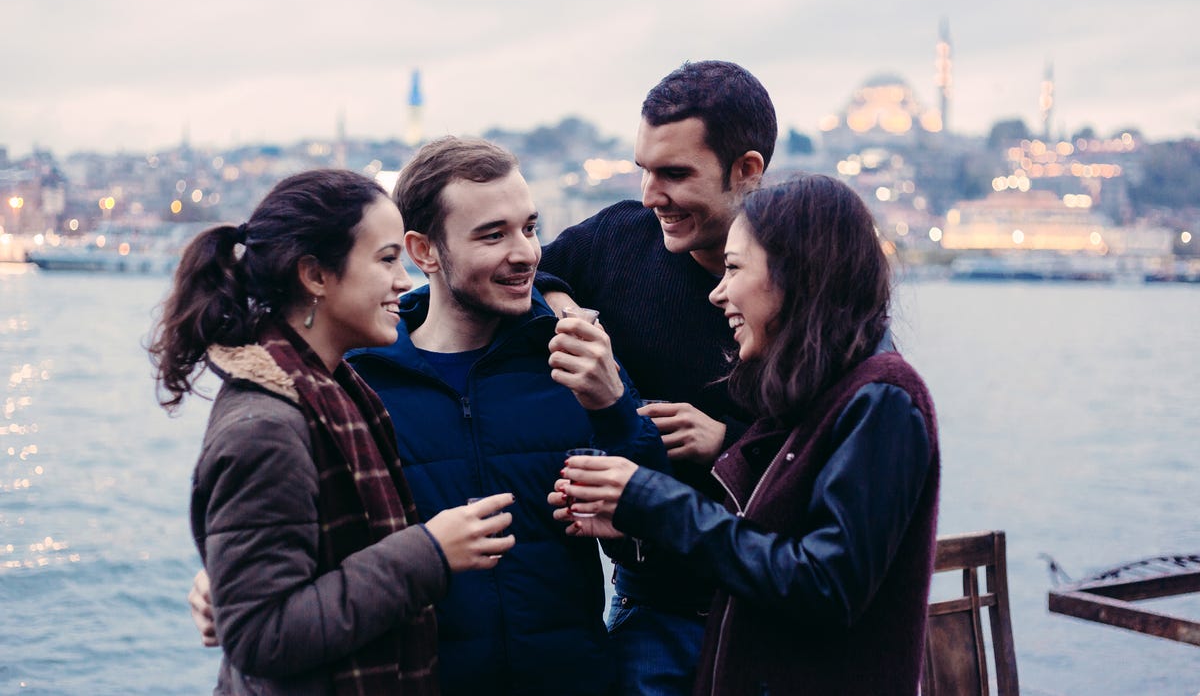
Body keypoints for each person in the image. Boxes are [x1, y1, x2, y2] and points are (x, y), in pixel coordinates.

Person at [188, 140, 667, 694]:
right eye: (493, 234)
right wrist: (225, 579)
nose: (527, 253)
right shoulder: (354, 382)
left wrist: (616, 412)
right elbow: (297, 538)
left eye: (530, 228)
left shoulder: (577, 358)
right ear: (425, 251)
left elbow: (661, 534)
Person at [554, 173, 941, 695]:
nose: (717, 293)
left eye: (734, 269)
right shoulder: (821, 394)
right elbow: (771, 538)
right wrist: (635, 518)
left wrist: (651, 499)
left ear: (795, 275)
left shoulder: (883, 398)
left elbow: (824, 585)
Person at [151, 169, 515, 695]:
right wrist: (429, 553)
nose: (404, 281)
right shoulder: (267, 426)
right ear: (316, 277)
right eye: (387, 259)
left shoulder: (335, 388)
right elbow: (258, 635)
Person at [536, 59, 776, 694]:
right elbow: (530, 274)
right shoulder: (621, 236)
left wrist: (727, 444)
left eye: (674, 174)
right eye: (644, 169)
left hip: (771, 611)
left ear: (747, 172)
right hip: (652, 605)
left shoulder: (801, 279)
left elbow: (839, 454)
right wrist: (570, 318)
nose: (651, 196)